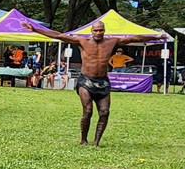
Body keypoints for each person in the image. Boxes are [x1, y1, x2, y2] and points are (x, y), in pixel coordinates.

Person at [22, 20, 166, 146]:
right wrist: (35, 29)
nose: (98, 32)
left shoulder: (112, 42)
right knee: (88, 111)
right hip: (86, 80)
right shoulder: (82, 41)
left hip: (103, 81)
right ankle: (83, 140)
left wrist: (157, 36)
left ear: (104, 31)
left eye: (101, 30)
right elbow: (59, 35)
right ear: (91, 31)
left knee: (104, 112)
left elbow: (133, 38)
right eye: (96, 30)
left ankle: (96, 142)